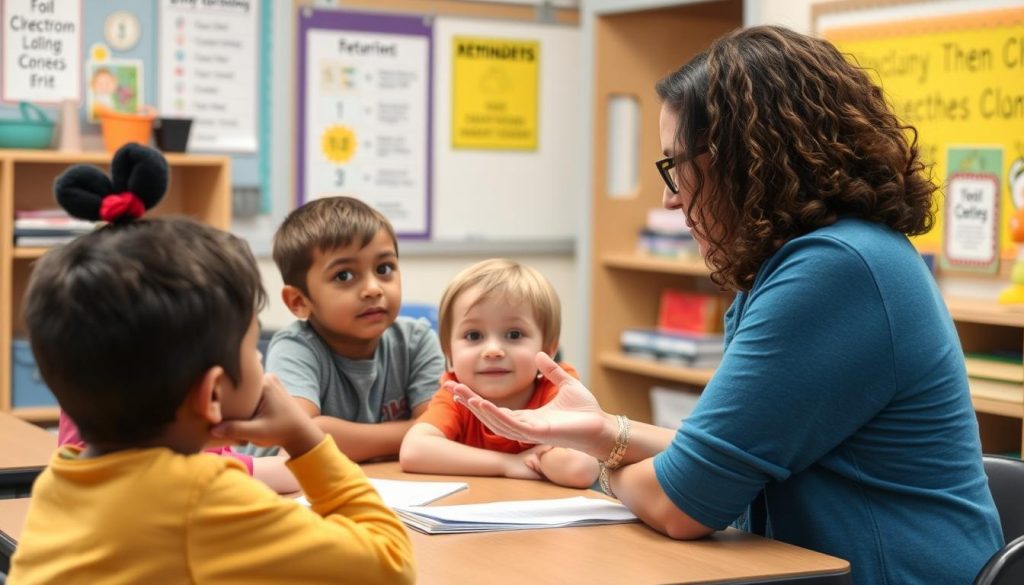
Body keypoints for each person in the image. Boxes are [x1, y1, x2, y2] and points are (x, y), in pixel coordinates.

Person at [450, 25, 1003, 585]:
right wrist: (601, 431)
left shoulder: (837, 270)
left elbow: (680, 502)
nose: (669, 198)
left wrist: (594, 469)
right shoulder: (814, 261)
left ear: (741, 158)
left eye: (674, 166)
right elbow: (726, 454)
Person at [8, 144, 414, 584]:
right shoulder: (204, 497)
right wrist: (304, 440)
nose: (261, 361)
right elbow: (390, 564)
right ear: (213, 393)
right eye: (253, 347)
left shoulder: (65, 473)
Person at [256, 196, 445, 461]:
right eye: (344, 275)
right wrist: (414, 434)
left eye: (384, 268)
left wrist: (335, 435)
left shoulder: (417, 340)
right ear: (299, 302)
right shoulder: (295, 347)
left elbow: (441, 428)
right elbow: (302, 437)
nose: (373, 288)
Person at [400, 259, 598, 488]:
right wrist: (509, 464)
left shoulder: (558, 388)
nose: (493, 350)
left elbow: (580, 469)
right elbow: (414, 450)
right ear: (449, 351)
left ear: (549, 349)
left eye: (514, 334)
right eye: (474, 336)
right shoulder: (457, 395)